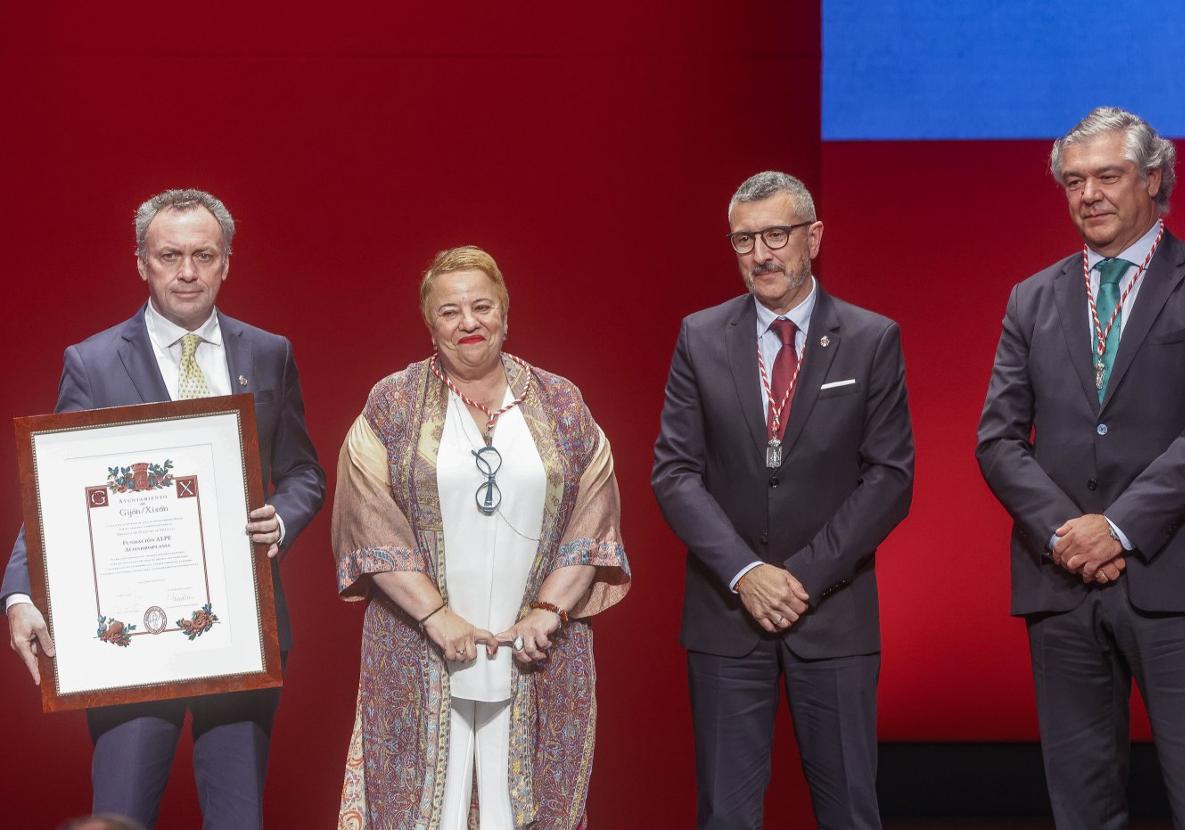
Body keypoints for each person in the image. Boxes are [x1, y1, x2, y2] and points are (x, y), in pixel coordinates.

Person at [1, 188, 326, 829]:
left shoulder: (268, 353)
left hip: (239, 631)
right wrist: (18, 594)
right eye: (169, 255)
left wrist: (283, 515)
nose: (187, 272)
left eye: (203, 255)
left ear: (226, 261)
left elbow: (302, 470)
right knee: (121, 816)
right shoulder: (91, 363)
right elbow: (55, 489)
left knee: (239, 821)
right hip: (128, 645)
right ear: (141, 262)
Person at [977, 106, 1185, 829]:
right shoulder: (1030, 298)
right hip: (1062, 582)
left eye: (1107, 175)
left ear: (1153, 178)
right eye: (1073, 181)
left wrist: (1119, 527)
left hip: (1180, 579)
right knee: (1081, 805)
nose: (1088, 194)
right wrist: (1070, 533)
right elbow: (998, 439)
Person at [332, 245, 630, 830]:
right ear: (429, 322)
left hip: (537, 650)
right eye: (449, 311)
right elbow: (367, 520)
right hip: (418, 646)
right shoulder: (390, 404)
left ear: (505, 313)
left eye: (481, 306)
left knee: (520, 806)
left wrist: (548, 611)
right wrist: (437, 616)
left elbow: (595, 517)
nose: (468, 322)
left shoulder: (562, 403)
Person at [652, 171, 914, 829]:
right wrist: (747, 574)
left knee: (851, 813)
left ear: (813, 237)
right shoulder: (700, 337)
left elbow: (889, 478)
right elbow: (675, 474)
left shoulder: (870, 338)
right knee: (725, 816)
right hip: (726, 616)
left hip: (833, 614)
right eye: (745, 240)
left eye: (776, 235)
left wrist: (798, 578)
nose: (762, 254)